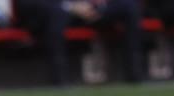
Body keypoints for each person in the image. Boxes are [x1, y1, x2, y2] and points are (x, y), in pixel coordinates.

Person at [14, 0, 145, 84]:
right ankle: (60, 82)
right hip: (58, 10)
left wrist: (94, 4)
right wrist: (71, 6)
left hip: (89, 8)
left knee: (130, 6)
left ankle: (134, 75)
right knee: (56, 13)